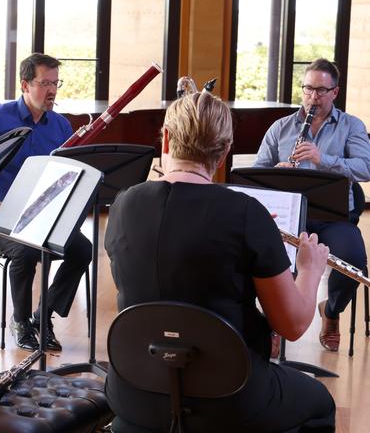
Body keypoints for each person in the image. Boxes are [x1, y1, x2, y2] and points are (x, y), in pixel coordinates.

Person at [104, 91, 335, 432]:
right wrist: (311, 268)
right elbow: (294, 325)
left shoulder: (123, 205)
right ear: (226, 150)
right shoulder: (245, 213)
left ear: (166, 138)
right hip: (228, 395)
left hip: (135, 390)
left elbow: (165, 293)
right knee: (320, 404)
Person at [0, 52, 91, 351]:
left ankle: (43, 315)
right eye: (44, 83)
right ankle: (21, 321)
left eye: (55, 83)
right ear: (25, 85)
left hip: (42, 217)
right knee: (25, 251)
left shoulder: (60, 126)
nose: (51, 90)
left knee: (82, 249)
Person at [255, 58, 370, 353]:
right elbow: (256, 172)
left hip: (334, 217)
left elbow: (366, 167)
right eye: (308, 89)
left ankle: (330, 311)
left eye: (321, 90)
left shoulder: (351, 126)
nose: (313, 97)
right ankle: (274, 324)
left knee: (354, 261)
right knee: (269, 259)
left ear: (335, 92)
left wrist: (324, 160)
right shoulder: (281, 128)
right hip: (291, 215)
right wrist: (276, 173)